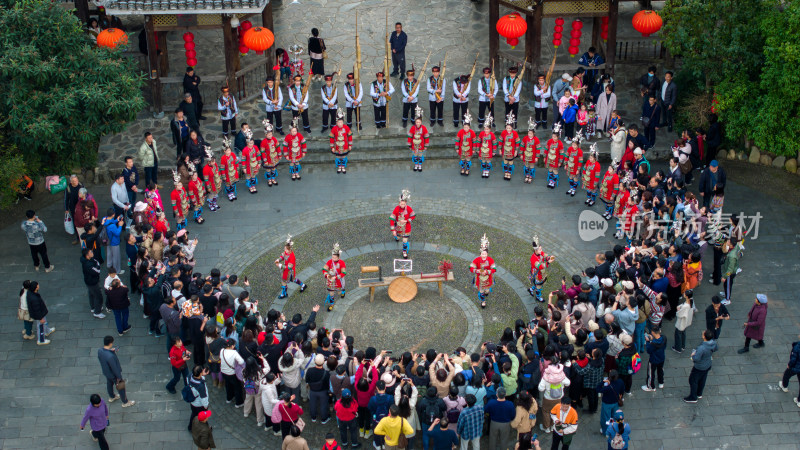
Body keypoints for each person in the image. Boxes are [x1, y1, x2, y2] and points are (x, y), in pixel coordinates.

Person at [98, 336, 135, 407]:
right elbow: (114, 368)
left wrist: (111, 351)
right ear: (110, 343)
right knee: (121, 388)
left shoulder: (100, 351)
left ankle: (112, 396)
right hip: (114, 375)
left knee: (109, 383)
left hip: (106, 372)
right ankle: (125, 402)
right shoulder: (110, 356)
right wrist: (119, 377)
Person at [684, 329, 718, 403]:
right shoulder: (713, 343)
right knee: (703, 379)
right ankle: (699, 393)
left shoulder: (702, 348)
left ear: (704, 337)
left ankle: (693, 397)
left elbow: (696, 359)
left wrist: (693, 355)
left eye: (703, 333)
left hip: (699, 367)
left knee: (692, 380)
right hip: (708, 364)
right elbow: (715, 349)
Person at [470, 234, 496, 309]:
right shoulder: (477, 260)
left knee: (487, 290)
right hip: (480, 278)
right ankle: (483, 301)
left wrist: (487, 272)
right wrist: (477, 270)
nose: (483, 255)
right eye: (482, 254)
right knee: (481, 291)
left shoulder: (490, 260)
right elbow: (471, 267)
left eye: (485, 254)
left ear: (487, 254)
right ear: (480, 253)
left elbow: (494, 269)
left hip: (488, 278)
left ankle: (486, 293)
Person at [26, 281, 54, 345]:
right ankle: (41, 340)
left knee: (45, 321)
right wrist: (40, 318)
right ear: (35, 288)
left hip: (41, 312)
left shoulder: (30, 293)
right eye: (38, 285)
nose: (39, 285)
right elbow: (37, 310)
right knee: (40, 326)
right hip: (39, 315)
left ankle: (47, 331)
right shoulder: (34, 299)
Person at [220, 338, 245, 407]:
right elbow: (241, 362)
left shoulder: (222, 351)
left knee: (228, 385)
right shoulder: (234, 353)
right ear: (231, 346)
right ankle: (239, 403)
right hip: (232, 373)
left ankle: (229, 398)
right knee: (237, 387)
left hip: (224, 372)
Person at [597, 370, 623, 434]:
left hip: (607, 404)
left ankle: (606, 431)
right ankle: (614, 428)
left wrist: (603, 382)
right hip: (616, 403)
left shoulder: (608, 387)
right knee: (614, 417)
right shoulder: (620, 382)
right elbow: (622, 391)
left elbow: (598, 389)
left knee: (606, 418)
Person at [81, 249, 105, 319]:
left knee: (91, 294)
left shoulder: (85, 261)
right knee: (98, 296)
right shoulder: (88, 265)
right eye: (91, 252)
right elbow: (97, 270)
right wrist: (97, 264)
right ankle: (97, 312)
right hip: (93, 282)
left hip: (88, 281)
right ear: (87, 255)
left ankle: (93, 307)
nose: (92, 253)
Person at [641, 326, 666, 391]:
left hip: (653, 360)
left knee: (651, 373)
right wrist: (652, 340)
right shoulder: (664, 338)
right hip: (661, 357)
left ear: (653, 332)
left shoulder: (653, 344)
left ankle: (650, 386)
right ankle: (661, 382)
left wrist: (648, 342)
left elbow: (649, 351)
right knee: (660, 370)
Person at [720, 234, 743, 305]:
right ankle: (726, 293)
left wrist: (725, 276)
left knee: (728, 285)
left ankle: (727, 299)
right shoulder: (736, 247)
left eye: (729, 241)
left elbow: (730, 269)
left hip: (730, 273)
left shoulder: (731, 256)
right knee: (727, 285)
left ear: (731, 245)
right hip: (731, 270)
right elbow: (740, 254)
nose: (727, 241)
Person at [778, 336, 800, 407]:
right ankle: (799, 401)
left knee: (787, 375)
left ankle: (784, 386)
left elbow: (793, 359)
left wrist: (789, 365)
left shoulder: (797, 347)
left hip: (795, 367)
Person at [329, 111, 353, 175]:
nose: (340, 124)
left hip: (345, 146)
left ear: (343, 122)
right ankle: (339, 166)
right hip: (337, 146)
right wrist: (332, 147)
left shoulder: (346, 127)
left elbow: (350, 136)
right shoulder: (334, 128)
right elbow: (331, 138)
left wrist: (350, 145)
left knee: (344, 157)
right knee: (338, 157)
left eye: (341, 122)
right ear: (336, 122)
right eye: (339, 122)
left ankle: (343, 166)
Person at [187, 365, 210, 431]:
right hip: (199, 405)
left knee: (194, 414)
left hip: (193, 402)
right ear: (200, 373)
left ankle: (190, 427)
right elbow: (204, 398)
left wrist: (202, 375)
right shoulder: (200, 386)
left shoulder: (189, 376)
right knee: (203, 417)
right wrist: (206, 406)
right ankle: (204, 428)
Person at [499, 115, 520, 181]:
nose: (508, 129)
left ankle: (509, 173)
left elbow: (517, 142)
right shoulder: (503, 132)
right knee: (505, 162)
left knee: (510, 162)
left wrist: (516, 151)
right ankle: (506, 172)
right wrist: (499, 149)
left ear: (512, 128)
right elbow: (500, 141)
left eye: (509, 128)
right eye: (507, 128)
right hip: (504, 150)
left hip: (511, 151)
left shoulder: (515, 133)